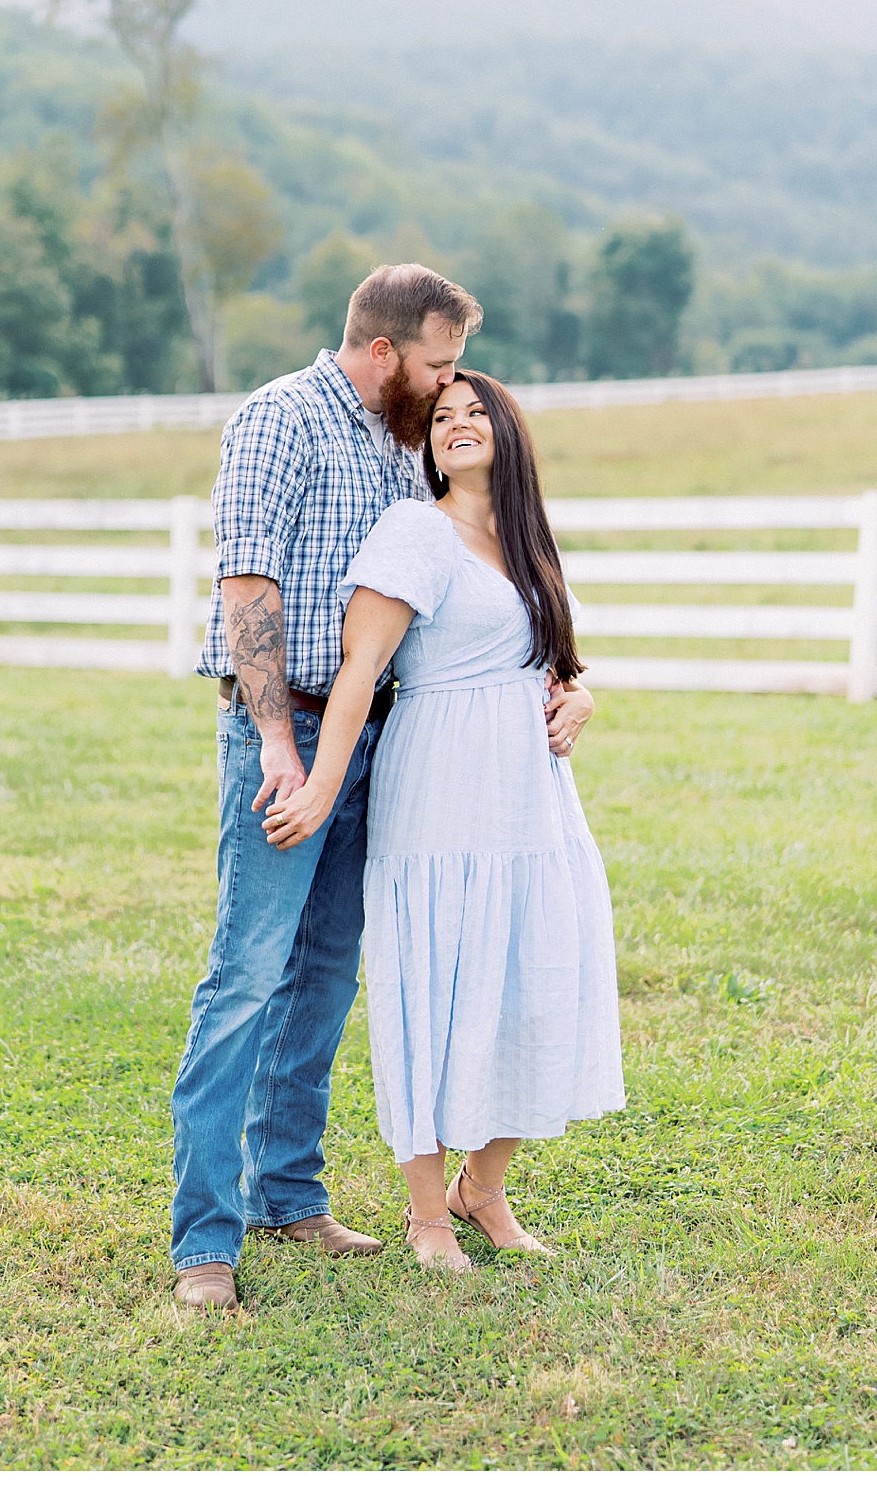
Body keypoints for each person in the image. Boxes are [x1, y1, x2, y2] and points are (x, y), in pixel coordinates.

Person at [170, 264, 485, 1313]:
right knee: (246, 978)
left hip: (378, 741)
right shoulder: (280, 419)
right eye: (439, 362)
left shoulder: (401, 445)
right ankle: (205, 1242)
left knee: (326, 977)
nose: (449, 385)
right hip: (288, 729)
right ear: (385, 349)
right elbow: (247, 580)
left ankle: (289, 1192)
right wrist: (274, 742)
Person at [264, 370, 625, 1272]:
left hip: (532, 799)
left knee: (535, 973)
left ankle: (483, 1188)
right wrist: (319, 782)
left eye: (476, 413)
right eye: (443, 417)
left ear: (507, 431)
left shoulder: (526, 538)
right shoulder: (417, 530)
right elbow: (362, 668)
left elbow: (544, 656)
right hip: (441, 788)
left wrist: (581, 694)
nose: (459, 425)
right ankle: (429, 1211)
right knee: (438, 981)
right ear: (426, 442)